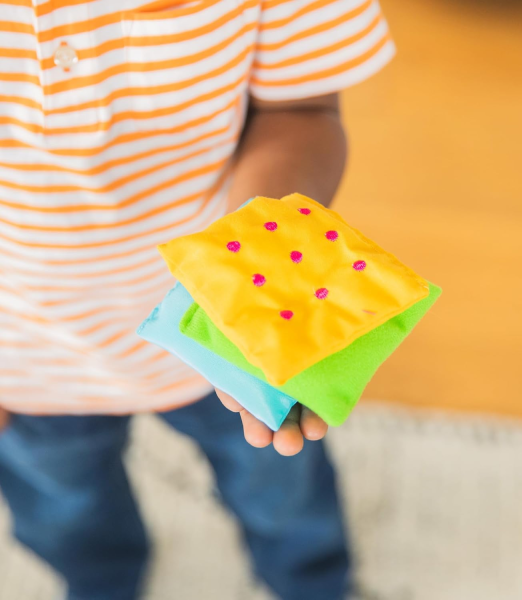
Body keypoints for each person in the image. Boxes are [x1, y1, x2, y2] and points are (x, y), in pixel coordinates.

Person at [0, 1, 395, 598]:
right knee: (67, 517)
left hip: (226, 332)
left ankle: (313, 581)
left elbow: (303, 110)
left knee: (284, 495)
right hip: (25, 363)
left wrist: (256, 265)